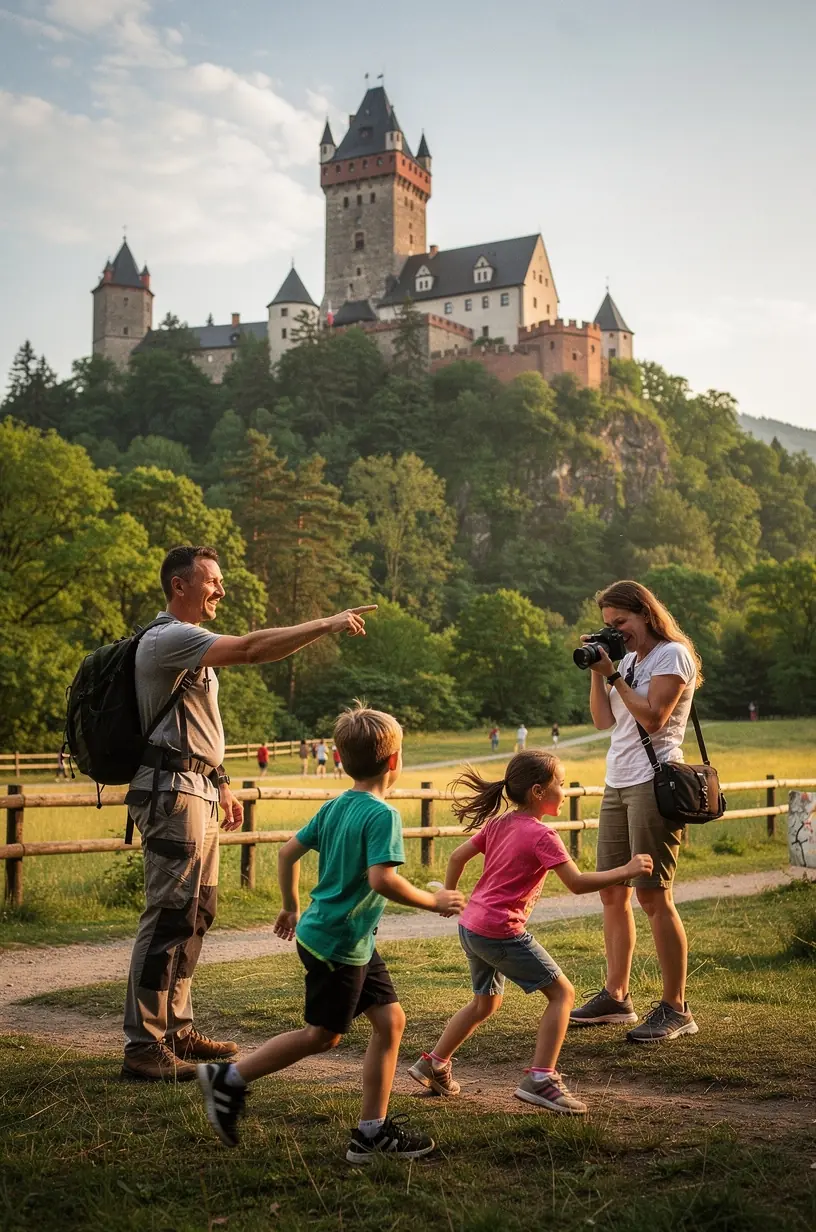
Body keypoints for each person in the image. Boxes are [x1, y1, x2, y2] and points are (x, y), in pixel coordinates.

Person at [121, 544, 376, 1083]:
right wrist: (327, 623)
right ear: (178, 587)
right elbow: (256, 648)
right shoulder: (170, 638)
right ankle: (144, 1043)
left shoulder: (190, 649)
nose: (220, 589)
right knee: (169, 914)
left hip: (197, 788)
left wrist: (221, 782)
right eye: (211, 581)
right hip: (171, 793)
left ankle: (176, 1029)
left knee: (196, 911)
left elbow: (194, 729)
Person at [196, 703, 465, 1162]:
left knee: (391, 1021)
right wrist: (433, 900)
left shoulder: (336, 805)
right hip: (339, 944)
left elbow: (285, 853)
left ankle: (371, 1133)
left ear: (340, 759)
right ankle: (229, 1079)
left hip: (343, 938)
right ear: (395, 761)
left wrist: (290, 906)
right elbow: (383, 879)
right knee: (322, 1035)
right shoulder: (383, 816)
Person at [407, 751, 652, 1113]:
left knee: (484, 1002)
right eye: (561, 784)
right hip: (499, 931)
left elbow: (457, 857)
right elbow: (578, 883)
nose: (565, 792)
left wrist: (450, 896)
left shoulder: (499, 824)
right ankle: (541, 1079)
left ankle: (435, 1063)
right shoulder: (542, 836)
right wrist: (626, 869)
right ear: (538, 791)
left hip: (472, 926)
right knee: (563, 995)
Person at [569, 579, 701, 1043]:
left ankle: (676, 1007)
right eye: (608, 625)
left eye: (620, 622)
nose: (615, 632)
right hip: (617, 781)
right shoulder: (625, 659)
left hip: (654, 781)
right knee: (611, 893)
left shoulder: (672, 655)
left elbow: (653, 717)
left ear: (645, 613)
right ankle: (616, 996)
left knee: (652, 895)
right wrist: (597, 668)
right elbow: (604, 722)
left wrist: (614, 676)